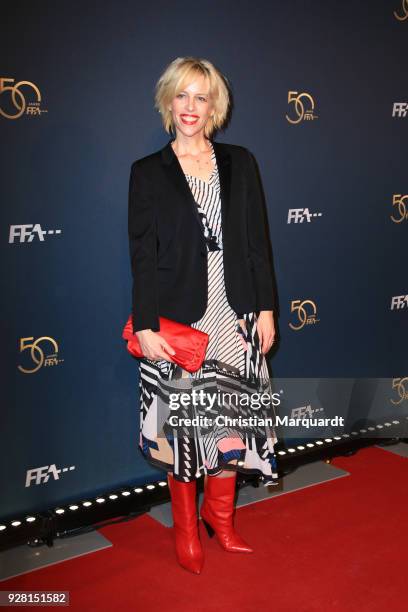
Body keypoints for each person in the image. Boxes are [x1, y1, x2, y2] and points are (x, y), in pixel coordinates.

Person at [127, 56, 279, 574]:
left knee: (230, 426)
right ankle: (186, 530)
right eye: (182, 96)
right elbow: (141, 255)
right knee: (186, 433)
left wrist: (265, 307)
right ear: (168, 102)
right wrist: (145, 324)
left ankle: (222, 519)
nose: (191, 107)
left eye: (202, 97)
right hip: (180, 323)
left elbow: (258, 243)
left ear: (216, 105)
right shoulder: (148, 173)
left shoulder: (240, 161)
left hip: (233, 315)